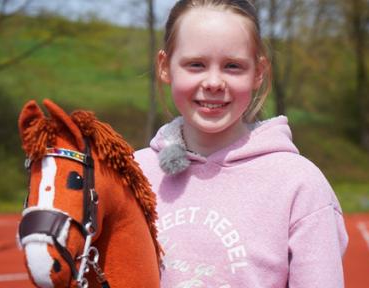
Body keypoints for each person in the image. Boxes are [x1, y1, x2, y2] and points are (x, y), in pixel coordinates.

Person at [134, 0, 348, 287]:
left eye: (233, 66)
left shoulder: (300, 184)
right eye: (195, 64)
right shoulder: (132, 173)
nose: (213, 82)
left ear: (258, 72)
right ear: (165, 66)